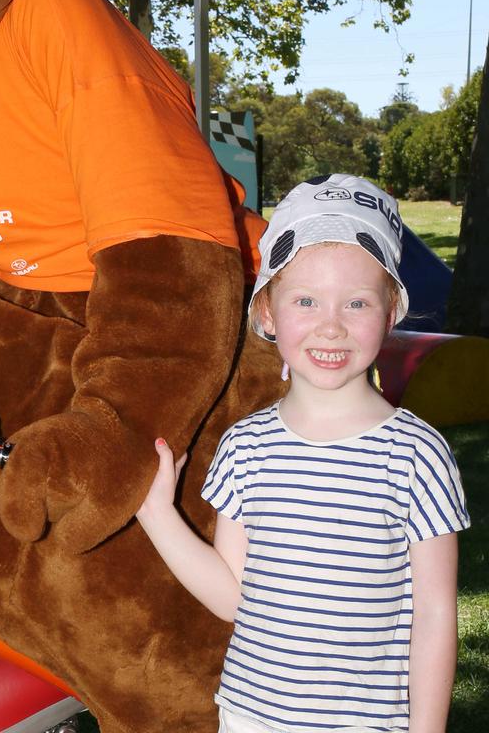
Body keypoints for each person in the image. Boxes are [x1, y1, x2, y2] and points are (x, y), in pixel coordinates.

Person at [137, 174, 469, 733]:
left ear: (392, 312)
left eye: (357, 302)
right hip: (250, 718)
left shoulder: (418, 455)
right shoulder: (245, 448)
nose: (331, 325)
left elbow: (435, 618)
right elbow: (232, 598)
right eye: (306, 300)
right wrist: (157, 515)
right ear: (268, 312)